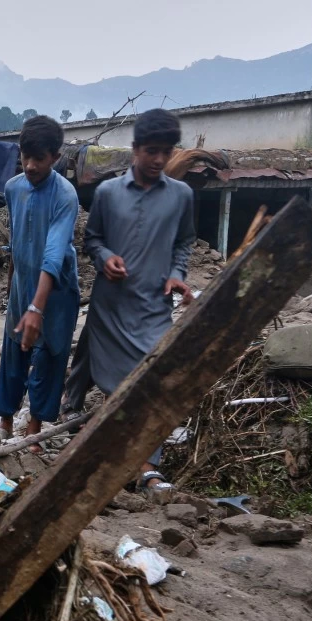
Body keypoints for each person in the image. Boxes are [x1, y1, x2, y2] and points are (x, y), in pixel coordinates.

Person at [62, 108, 196, 498]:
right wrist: (105, 259)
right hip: (111, 307)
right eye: (151, 150)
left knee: (154, 384)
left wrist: (178, 275)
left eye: (166, 152)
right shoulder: (106, 193)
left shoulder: (182, 196)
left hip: (155, 308)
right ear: (135, 149)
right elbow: (92, 240)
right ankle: (128, 463)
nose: (158, 159)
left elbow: (184, 243)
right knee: (118, 388)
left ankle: (147, 469)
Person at [0, 115, 80, 449]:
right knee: (14, 353)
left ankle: (34, 430)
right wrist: (14, 289)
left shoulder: (65, 196)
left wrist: (36, 307)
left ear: (55, 157)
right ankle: (4, 421)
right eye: (25, 157)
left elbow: (54, 254)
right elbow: (15, 241)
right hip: (22, 286)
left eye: (38, 159)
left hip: (56, 292)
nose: (29, 166)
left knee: (49, 355)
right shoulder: (14, 188)